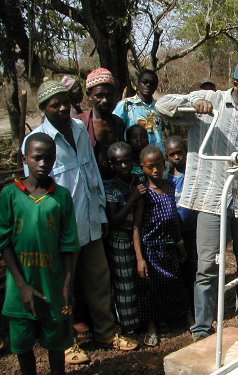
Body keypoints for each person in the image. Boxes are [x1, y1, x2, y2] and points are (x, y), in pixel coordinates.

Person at [156, 59, 238, 341]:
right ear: (235, 84)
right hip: (211, 198)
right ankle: (202, 327)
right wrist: (193, 104)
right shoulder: (211, 101)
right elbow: (162, 107)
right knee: (208, 264)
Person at [23, 81, 138, 364]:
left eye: (65, 101)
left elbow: (92, 177)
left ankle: (106, 332)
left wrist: (100, 214)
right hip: (60, 229)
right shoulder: (37, 141)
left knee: (99, 279)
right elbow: (33, 189)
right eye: (55, 104)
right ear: (43, 109)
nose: (63, 108)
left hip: (89, 221)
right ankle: (66, 342)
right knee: (64, 286)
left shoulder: (78, 130)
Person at [0, 133, 79, 375]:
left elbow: (69, 246)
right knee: (22, 343)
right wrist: (22, 285)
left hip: (52, 283)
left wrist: (66, 286)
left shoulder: (61, 196)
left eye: (50, 158)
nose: (44, 163)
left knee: (56, 342)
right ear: (25, 158)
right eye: (37, 158)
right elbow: (4, 242)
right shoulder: (10, 195)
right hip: (19, 286)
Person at [132, 145, 189, 347]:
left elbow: (174, 219)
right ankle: (152, 327)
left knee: (176, 283)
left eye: (158, 165)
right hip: (150, 250)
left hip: (170, 246)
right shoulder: (143, 193)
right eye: (150, 167)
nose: (155, 170)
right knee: (150, 289)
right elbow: (136, 227)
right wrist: (140, 258)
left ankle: (186, 319)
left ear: (164, 163)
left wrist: (180, 244)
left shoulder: (170, 186)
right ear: (142, 168)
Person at [104, 142, 147, 333]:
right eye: (118, 163)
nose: (123, 166)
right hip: (120, 239)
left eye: (126, 161)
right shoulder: (112, 187)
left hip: (140, 235)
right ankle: (129, 326)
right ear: (111, 164)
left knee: (141, 279)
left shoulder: (139, 179)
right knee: (124, 284)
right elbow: (114, 220)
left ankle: (145, 319)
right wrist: (132, 198)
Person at [166, 136, 198, 314]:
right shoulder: (166, 178)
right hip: (176, 231)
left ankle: (197, 306)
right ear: (167, 156)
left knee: (195, 266)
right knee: (181, 268)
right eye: (172, 154)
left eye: (179, 153)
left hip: (193, 228)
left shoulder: (194, 174)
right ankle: (184, 309)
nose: (177, 157)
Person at [74, 68, 125, 180]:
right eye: (99, 95)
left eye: (109, 95)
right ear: (89, 95)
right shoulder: (78, 124)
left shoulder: (119, 123)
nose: (105, 100)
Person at [114, 69, 167, 154]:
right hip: (136, 160)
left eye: (152, 83)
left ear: (156, 86)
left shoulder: (159, 107)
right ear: (138, 83)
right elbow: (115, 129)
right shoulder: (127, 105)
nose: (148, 85)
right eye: (145, 82)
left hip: (159, 158)